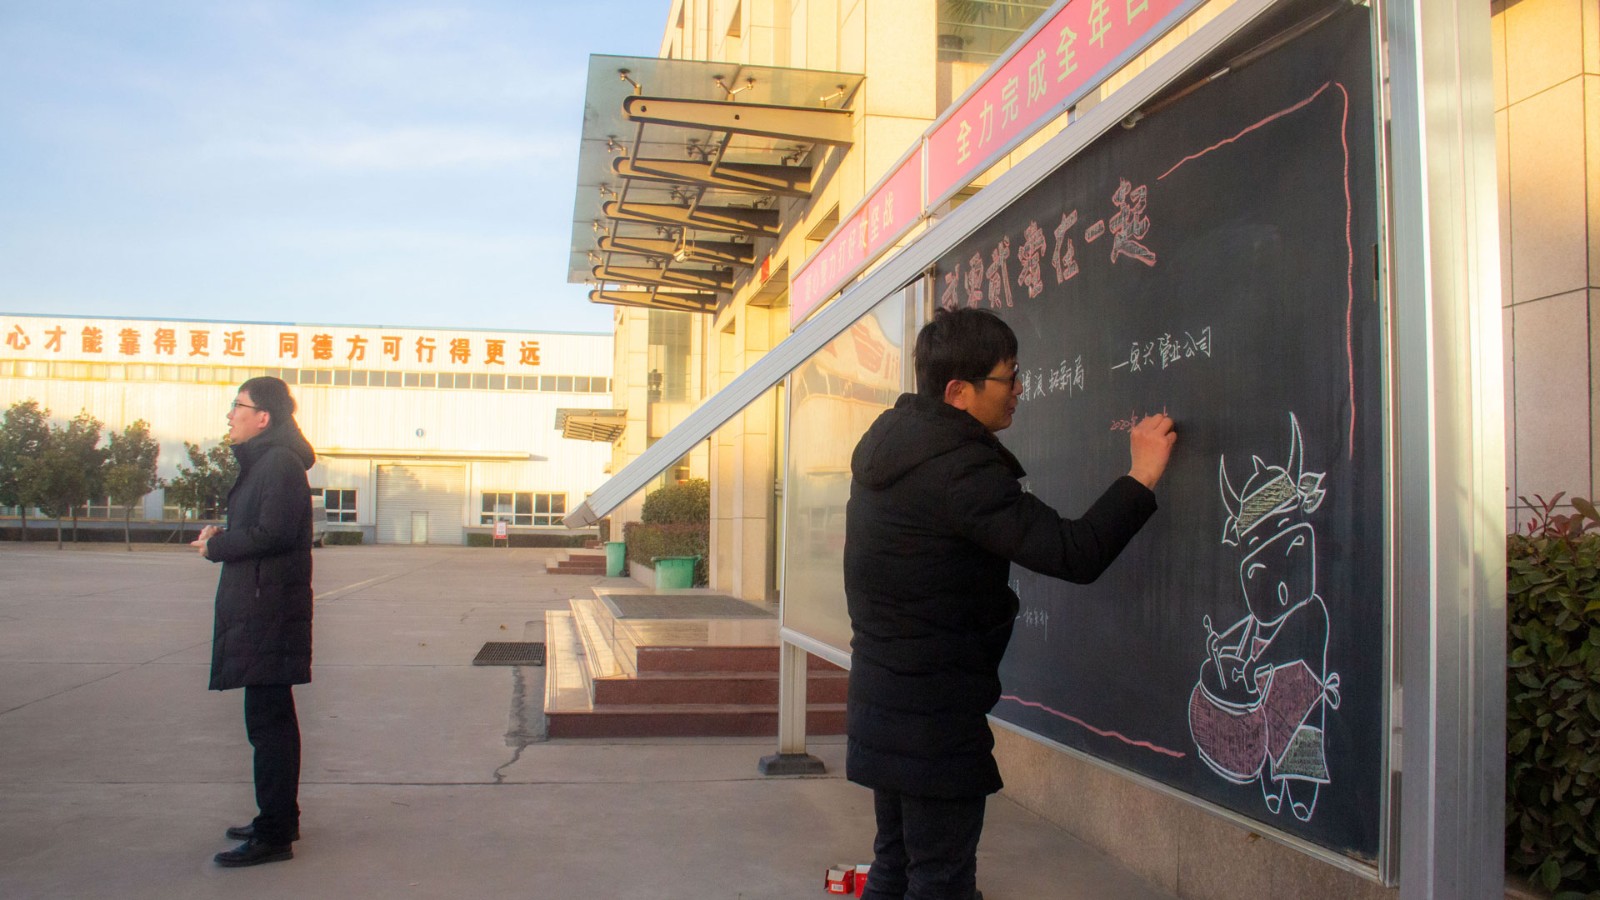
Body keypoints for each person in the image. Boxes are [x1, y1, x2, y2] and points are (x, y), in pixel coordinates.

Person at [844, 308, 1176, 900]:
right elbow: (1074, 553)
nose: (1020, 389)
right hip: (934, 713)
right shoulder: (959, 471)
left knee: (895, 866)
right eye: (1009, 377)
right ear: (959, 392)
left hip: (884, 697)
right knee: (939, 882)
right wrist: (1141, 475)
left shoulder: (891, 447)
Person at [191, 376, 316, 868]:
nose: (230, 414)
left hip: (269, 611)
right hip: (264, 606)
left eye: (237, 405)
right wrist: (223, 535)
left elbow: (275, 533)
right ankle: (280, 817)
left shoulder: (278, 462)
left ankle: (275, 834)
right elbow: (264, 527)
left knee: (269, 726)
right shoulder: (267, 462)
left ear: (263, 417)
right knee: (269, 721)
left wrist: (217, 547)